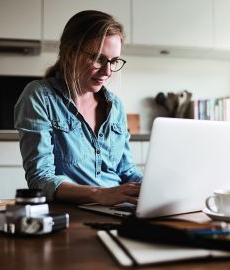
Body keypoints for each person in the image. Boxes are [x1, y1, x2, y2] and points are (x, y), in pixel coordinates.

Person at [14, 10, 142, 206]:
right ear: (70, 52)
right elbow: (40, 179)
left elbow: (126, 171)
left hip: (120, 209)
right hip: (73, 212)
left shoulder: (115, 106)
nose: (107, 71)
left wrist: (152, 188)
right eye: (99, 58)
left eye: (114, 61)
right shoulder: (40, 96)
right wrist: (100, 194)